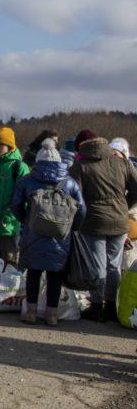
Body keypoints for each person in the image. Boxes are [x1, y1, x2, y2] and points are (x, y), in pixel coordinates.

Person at [12, 139, 86, 326]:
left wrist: (26, 221)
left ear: (38, 160)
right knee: (55, 274)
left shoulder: (28, 180)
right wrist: (72, 227)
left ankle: (30, 312)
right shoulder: (70, 182)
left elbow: (15, 204)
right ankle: (51, 315)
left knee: (34, 272)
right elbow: (82, 209)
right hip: (60, 235)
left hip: (33, 233)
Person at [69, 130, 137, 321]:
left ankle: (97, 306)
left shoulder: (80, 166)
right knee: (114, 265)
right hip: (120, 221)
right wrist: (125, 205)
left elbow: (75, 197)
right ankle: (111, 307)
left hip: (94, 222)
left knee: (97, 265)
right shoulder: (122, 162)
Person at [0, 126, 28, 268]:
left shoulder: (19, 167)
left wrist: (10, 216)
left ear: (10, 146)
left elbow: (24, 197)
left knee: (9, 260)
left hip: (8, 222)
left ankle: (8, 289)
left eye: (0, 144)